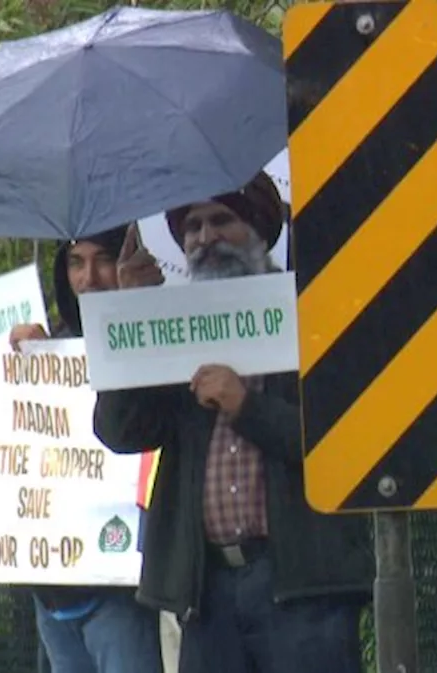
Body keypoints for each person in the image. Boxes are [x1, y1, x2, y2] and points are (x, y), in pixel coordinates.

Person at [92, 171, 374, 673]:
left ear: (261, 228)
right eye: (192, 227)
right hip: (209, 591)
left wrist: (248, 406)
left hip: (300, 587)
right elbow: (122, 431)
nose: (205, 238)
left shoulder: (310, 314)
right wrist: (129, 314)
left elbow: (345, 443)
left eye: (222, 219)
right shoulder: (174, 329)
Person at [8, 226, 165, 673]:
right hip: (54, 597)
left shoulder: (156, 344)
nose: (89, 277)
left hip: (123, 594)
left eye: (102, 260)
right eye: (76, 262)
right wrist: (29, 362)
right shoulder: (54, 348)